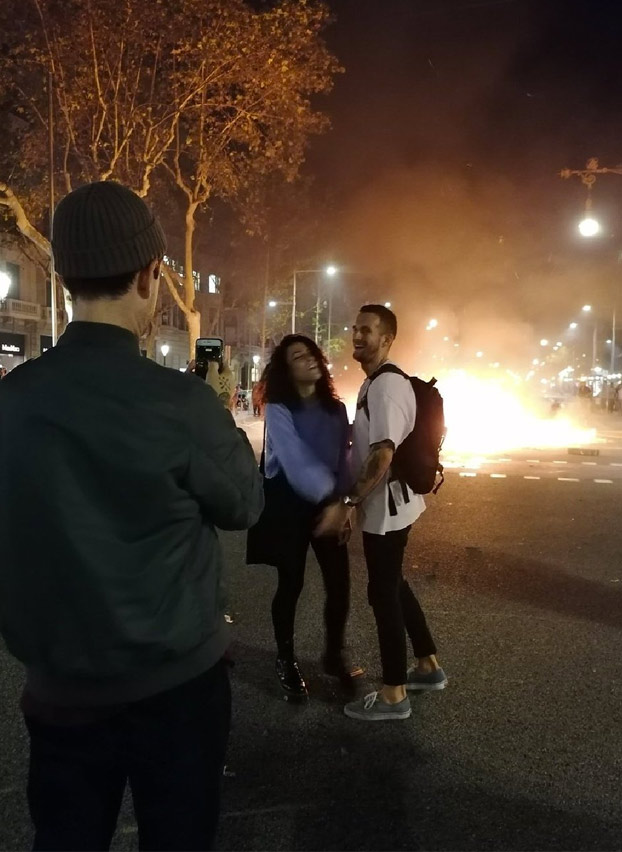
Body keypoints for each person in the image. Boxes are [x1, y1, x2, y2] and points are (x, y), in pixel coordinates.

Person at [0, 181, 264, 851]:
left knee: (65, 837)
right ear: (151, 277)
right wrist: (218, 412)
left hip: (60, 688)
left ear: (62, 277)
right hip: (176, 688)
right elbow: (245, 504)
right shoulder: (178, 404)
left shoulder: (14, 401)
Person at [316, 304, 447, 721]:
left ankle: (394, 694)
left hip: (386, 509)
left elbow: (382, 454)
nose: (358, 335)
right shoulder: (374, 382)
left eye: (367, 330)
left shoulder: (387, 387)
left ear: (387, 339)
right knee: (393, 584)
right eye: (355, 328)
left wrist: (349, 503)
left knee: (382, 593)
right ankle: (427, 664)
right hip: (393, 505)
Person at [246, 334, 362, 698]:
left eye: (312, 353)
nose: (310, 359)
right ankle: (286, 658)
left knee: (339, 585)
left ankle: (333, 653)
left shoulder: (335, 408)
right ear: (286, 369)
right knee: (291, 583)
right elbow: (294, 459)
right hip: (288, 503)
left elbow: (345, 456)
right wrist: (331, 499)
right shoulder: (279, 408)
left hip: (330, 502)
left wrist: (345, 503)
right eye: (299, 356)